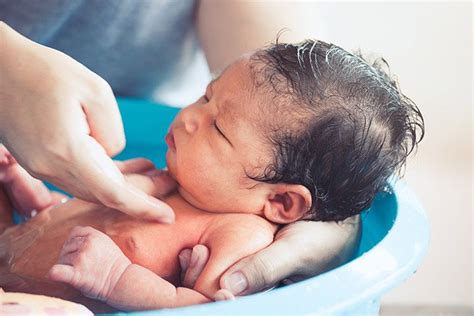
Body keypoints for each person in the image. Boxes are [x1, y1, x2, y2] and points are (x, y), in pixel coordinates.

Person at [0, 0, 417, 298]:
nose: (188, 116)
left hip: (42, 300)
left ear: (283, 201)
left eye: (218, 128)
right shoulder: (158, 175)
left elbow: (202, 306)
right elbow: (69, 214)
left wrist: (115, 279)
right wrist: (33, 195)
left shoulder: (240, 234)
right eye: (204, 95)